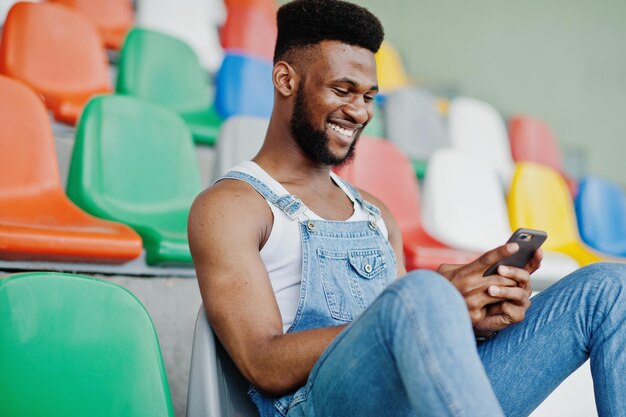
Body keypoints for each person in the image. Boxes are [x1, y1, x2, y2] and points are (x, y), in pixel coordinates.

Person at [188, 1, 626, 416]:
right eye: (343, 90)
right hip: (318, 405)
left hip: (417, 396)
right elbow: (261, 362)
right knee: (426, 292)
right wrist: (431, 304)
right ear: (286, 80)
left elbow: (413, 329)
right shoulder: (232, 206)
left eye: (369, 97)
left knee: (610, 288)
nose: (359, 112)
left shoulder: (376, 213)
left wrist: (471, 318)